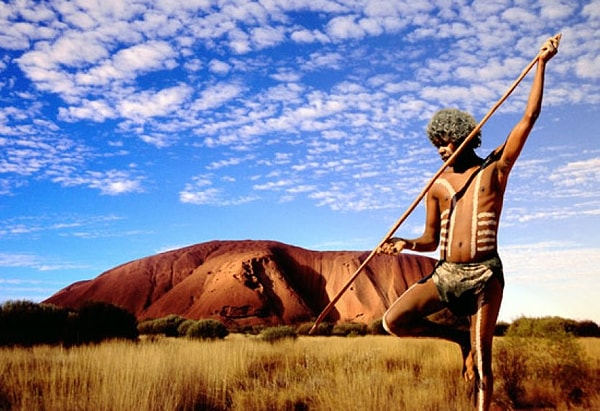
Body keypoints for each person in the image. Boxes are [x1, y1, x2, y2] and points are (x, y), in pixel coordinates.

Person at [377, 36, 558, 411]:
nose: (443, 149)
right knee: (393, 321)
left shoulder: (495, 168)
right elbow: (430, 239)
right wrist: (404, 243)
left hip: (483, 276)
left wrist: (541, 64)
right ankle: (457, 340)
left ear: (466, 136)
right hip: (445, 274)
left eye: (448, 141)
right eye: (437, 144)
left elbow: (529, 118)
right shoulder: (437, 186)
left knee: (483, 364)